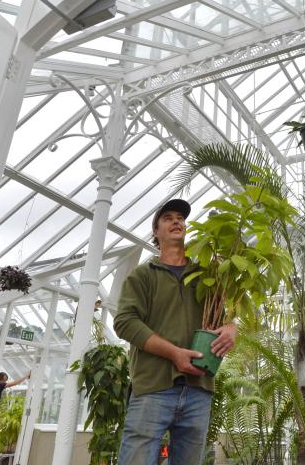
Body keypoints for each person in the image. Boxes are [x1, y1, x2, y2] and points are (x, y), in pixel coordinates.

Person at [114, 198, 237, 464]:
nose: (176, 221)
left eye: (180, 217)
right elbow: (124, 321)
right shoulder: (143, 275)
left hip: (198, 387)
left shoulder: (207, 275)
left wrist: (231, 327)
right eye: (167, 217)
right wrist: (173, 353)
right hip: (153, 386)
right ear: (156, 232)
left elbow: (221, 318)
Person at [0, 371, 30, 465]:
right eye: (4, 380)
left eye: (5, 381)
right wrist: (26, 376)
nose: (4, 383)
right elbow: (14, 383)